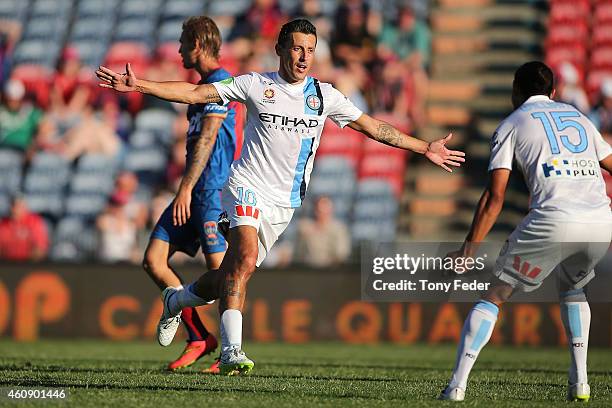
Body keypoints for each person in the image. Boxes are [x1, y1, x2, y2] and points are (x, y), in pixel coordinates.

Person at [96, 18, 465, 376]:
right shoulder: (256, 85)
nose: (304, 57)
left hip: (282, 204)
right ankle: (231, 351)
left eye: (310, 50)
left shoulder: (325, 96)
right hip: (245, 185)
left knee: (230, 274)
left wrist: (423, 148)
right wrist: (139, 85)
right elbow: (196, 92)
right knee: (245, 257)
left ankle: (176, 300)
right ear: (280, 50)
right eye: (297, 48)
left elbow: (375, 128)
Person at [439, 62, 612, 402]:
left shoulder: (511, 124)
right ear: (553, 92)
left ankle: (456, 386)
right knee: (574, 287)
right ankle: (580, 383)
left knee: (496, 295)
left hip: (553, 219)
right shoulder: (579, 117)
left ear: (516, 91)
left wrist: (467, 251)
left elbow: (495, 196)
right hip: (599, 221)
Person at [143, 16, 238, 372]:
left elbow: (209, 138)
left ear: (197, 44)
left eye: (183, 42)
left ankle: (231, 350)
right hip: (193, 191)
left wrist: (184, 189)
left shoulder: (222, 84)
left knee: (222, 275)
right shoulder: (198, 90)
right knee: (154, 260)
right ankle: (199, 336)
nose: (180, 49)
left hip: (211, 192)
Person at [293, 196, 350, 267]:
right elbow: (298, 255)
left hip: (331, 271)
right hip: (308, 271)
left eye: (325, 210)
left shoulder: (339, 229)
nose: (322, 214)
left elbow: (341, 255)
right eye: (319, 210)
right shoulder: (305, 229)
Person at [0, 194, 49, 261]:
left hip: (29, 265)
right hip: (7, 265)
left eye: (18, 205)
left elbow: (40, 248)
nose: (14, 209)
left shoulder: (34, 222)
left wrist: (25, 265)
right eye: (13, 205)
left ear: (24, 207)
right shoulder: (3, 224)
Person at [0, 79, 42, 151]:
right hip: (3, 149)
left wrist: (33, 147)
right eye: (10, 99)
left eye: (16, 100)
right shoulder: (2, 111)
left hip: (24, 151)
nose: (13, 103)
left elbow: (44, 129)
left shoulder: (31, 112)